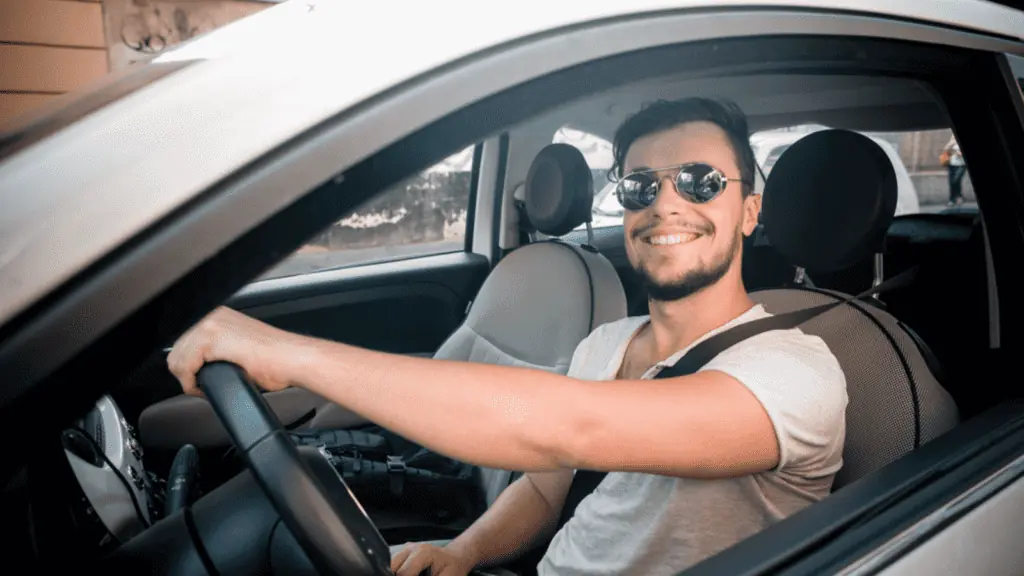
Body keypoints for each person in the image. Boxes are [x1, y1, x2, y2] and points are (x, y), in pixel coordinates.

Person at [167, 97, 848, 576]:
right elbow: (546, 488)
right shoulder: (605, 342)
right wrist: (466, 550)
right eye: (641, 185)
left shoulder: (794, 371)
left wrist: (289, 353)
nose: (667, 203)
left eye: (700, 183)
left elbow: (563, 428)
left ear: (749, 210)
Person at [943, 135, 966, 206]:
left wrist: (960, 154)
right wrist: (952, 144)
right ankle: (952, 200)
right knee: (952, 183)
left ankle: (959, 196)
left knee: (956, 180)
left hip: (961, 165)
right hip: (952, 165)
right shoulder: (952, 142)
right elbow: (945, 149)